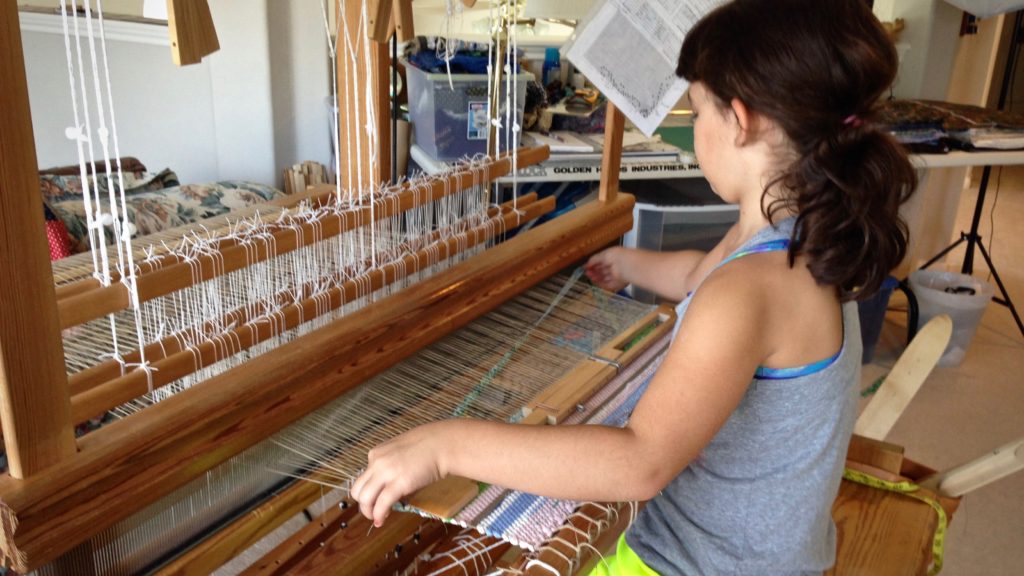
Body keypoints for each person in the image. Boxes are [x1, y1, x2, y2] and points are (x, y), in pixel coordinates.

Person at [351, 0, 917, 573]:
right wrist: (629, 263)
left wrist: (446, 446)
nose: (694, 128)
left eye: (696, 113)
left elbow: (640, 462)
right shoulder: (807, 236)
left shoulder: (749, 290)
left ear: (741, 121)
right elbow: (699, 273)